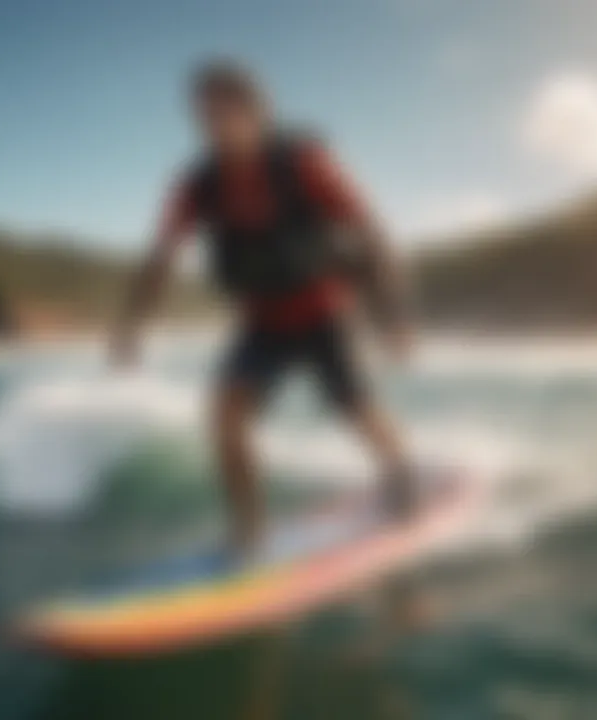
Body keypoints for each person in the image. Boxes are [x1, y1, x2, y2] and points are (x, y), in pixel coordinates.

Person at [109, 60, 416, 557]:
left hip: (324, 313)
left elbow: (372, 233)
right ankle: (249, 531)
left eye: (225, 113)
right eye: (203, 117)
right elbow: (160, 258)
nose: (214, 127)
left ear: (258, 112)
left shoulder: (304, 164)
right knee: (225, 418)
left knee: (354, 409)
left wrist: (395, 317)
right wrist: (130, 328)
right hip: (263, 323)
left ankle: (402, 476)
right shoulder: (197, 185)